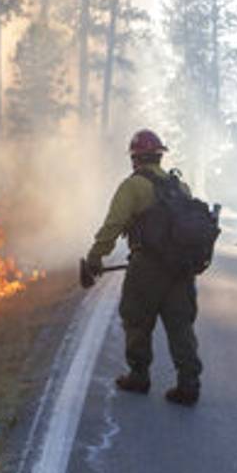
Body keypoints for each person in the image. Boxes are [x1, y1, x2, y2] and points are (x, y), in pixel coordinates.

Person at [85, 129, 203, 406]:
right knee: (180, 325)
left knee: (137, 320)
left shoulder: (134, 186)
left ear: (135, 158)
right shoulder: (181, 188)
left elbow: (113, 225)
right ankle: (189, 383)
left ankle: (139, 376)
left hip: (147, 267)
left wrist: (95, 256)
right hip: (180, 269)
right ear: (160, 156)